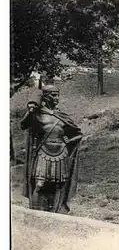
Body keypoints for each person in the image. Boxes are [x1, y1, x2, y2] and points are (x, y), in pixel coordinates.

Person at [20, 85, 82, 213]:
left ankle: (55, 212)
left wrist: (68, 141)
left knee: (58, 185)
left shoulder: (62, 116)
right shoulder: (38, 114)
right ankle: (35, 212)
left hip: (61, 153)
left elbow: (76, 133)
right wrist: (30, 111)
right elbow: (24, 125)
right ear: (45, 97)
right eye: (53, 95)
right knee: (40, 184)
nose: (56, 98)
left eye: (57, 95)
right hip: (43, 152)